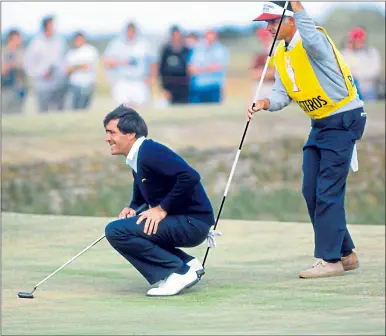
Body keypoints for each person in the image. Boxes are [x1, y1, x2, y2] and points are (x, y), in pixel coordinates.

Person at [248, 1, 367, 279]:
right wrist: (265, 101)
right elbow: (282, 93)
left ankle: (330, 260)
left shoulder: (314, 40)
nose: (267, 28)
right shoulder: (281, 53)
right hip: (320, 123)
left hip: (343, 118)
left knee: (327, 191)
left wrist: (298, 6)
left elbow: (310, 35)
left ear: (290, 20)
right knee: (311, 189)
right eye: (266, 23)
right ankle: (346, 254)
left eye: (273, 22)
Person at [103, 105, 215, 296]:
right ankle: (187, 264)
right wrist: (132, 208)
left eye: (111, 132)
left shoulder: (150, 152)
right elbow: (143, 193)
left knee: (115, 231)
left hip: (192, 223)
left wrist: (162, 209)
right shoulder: (138, 156)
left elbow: (189, 176)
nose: (107, 138)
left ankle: (179, 272)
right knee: (128, 225)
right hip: (186, 221)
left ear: (130, 134)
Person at [103, 22, 157, 108]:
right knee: (121, 108)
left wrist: (151, 77)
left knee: (142, 107)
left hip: (140, 81)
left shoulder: (144, 44)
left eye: (133, 31)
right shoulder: (117, 44)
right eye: (129, 31)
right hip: (122, 81)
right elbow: (107, 62)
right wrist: (123, 62)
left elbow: (153, 63)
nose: (131, 34)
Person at [24, 16, 68, 113]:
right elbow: (29, 64)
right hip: (43, 84)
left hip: (59, 83)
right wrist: (41, 73)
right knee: (43, 112)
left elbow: (64, 59)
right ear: (45, 26)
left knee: (60, 111)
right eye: (51, 25)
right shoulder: (36, 43)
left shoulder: (60, 41)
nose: (53, 27)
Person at [340, 26, 382, 101]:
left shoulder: (372, 52)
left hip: (369, 90)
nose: (359, 43)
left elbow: (375, 71)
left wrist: (356, 75)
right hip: (351, 91)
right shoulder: (345, 54)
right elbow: (343, 71)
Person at [188, 29, 229, 104]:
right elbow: (192, 69)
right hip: (198, 87)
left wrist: (201, 69)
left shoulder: (221, 50)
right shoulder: (197, 49)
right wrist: (208, 68)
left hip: (214, 87)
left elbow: (218, 68)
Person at [64, 31, 99, 110]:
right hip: (74, 85)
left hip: (87, 85)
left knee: (84, 108)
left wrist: (74, 67)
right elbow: (67, 70)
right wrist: (79, 66)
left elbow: (87, 66)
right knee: (74, 108)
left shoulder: (90, 51)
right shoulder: (71, 53)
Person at [158, 26, 191, 105]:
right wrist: (164, 87)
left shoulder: (186, 50)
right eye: (174, 35)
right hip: (170, 85)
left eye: (178, 35)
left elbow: (189, 68)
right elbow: (161, 69)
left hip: (183, 85)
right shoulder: (166, 50)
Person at [1, 29, 27, 114]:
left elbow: (25, 68)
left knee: (18, 113)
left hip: (19, 88)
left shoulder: (21, 52)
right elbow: (3, 70)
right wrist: (11, 65)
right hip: (5, 89)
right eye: (18, 38)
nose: (20, 40)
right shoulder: (3, 52)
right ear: (11, 39)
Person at [250, 28, 276, 99]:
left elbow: (274, 72)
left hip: (272, 86)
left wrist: (263, 73)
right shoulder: (260, 54)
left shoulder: (276, 52)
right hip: (260, 86)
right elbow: (253, 73)